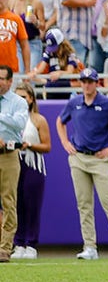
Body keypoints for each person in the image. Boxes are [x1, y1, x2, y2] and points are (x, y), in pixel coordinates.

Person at [55, 67, 108, 261]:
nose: (86, 85)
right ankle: (89, 246)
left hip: (99, 159)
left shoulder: (107, 104)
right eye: (83, 81)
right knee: (84, 204)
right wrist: (65, 142)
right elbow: (60, 121)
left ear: (96, 83)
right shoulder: (74, 102)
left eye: (90, 81)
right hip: (78, 157)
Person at [12, 80, 48, 260]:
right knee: (16, 204)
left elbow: (47, 146)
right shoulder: (9, 117)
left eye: (23, 97)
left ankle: (31, 244)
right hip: (14, 163)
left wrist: (30, 145)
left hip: (33, 165)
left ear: (31, 99)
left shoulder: (38, 120)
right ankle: (18, 243)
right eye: (17, 97)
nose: (20, 100)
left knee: (32, 205)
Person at [0, 65, 28, 262]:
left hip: (8, 154)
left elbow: (19, 123)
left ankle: (5, 247)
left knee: (8, 201)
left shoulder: (18, 102)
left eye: (2, 78)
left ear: (10, 81)